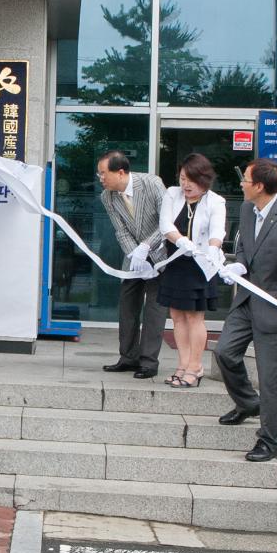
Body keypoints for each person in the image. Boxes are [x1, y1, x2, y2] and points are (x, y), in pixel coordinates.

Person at [214, 158, 277, 461]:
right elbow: (244, 247)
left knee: (271, 378)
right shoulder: (246, 208)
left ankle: (269, 439)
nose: (241, 183)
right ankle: (247, 402)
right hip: (245, 300)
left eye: (245, 179)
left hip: (274, 307)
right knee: (225, 352)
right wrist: (238, 264)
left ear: (259, 186)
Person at [156, 153, 227, 388]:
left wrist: (214, 249)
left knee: (194, 316)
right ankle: (182, 364)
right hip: (177, 260)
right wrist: (180, 241)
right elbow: (165, 224)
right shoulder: (172, 194)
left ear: (204, 180)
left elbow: (217, 231)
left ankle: (195, 366)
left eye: (192, 180)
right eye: (183, 178)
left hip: (200, 265)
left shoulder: (215, 201)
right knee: (177, 316)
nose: (186, 185)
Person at [96, 150, 169, 380]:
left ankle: (148, 362)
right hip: (132, 258)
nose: (101, 178)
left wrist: (146, 247)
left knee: (154, 310)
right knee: (127, 307)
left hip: (159, 254)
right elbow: (121, 230)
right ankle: (128, 357)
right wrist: (134, 253)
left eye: (103, 173)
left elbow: (167, 221)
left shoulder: (152, 183)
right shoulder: (107, 196)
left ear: (120, 172)